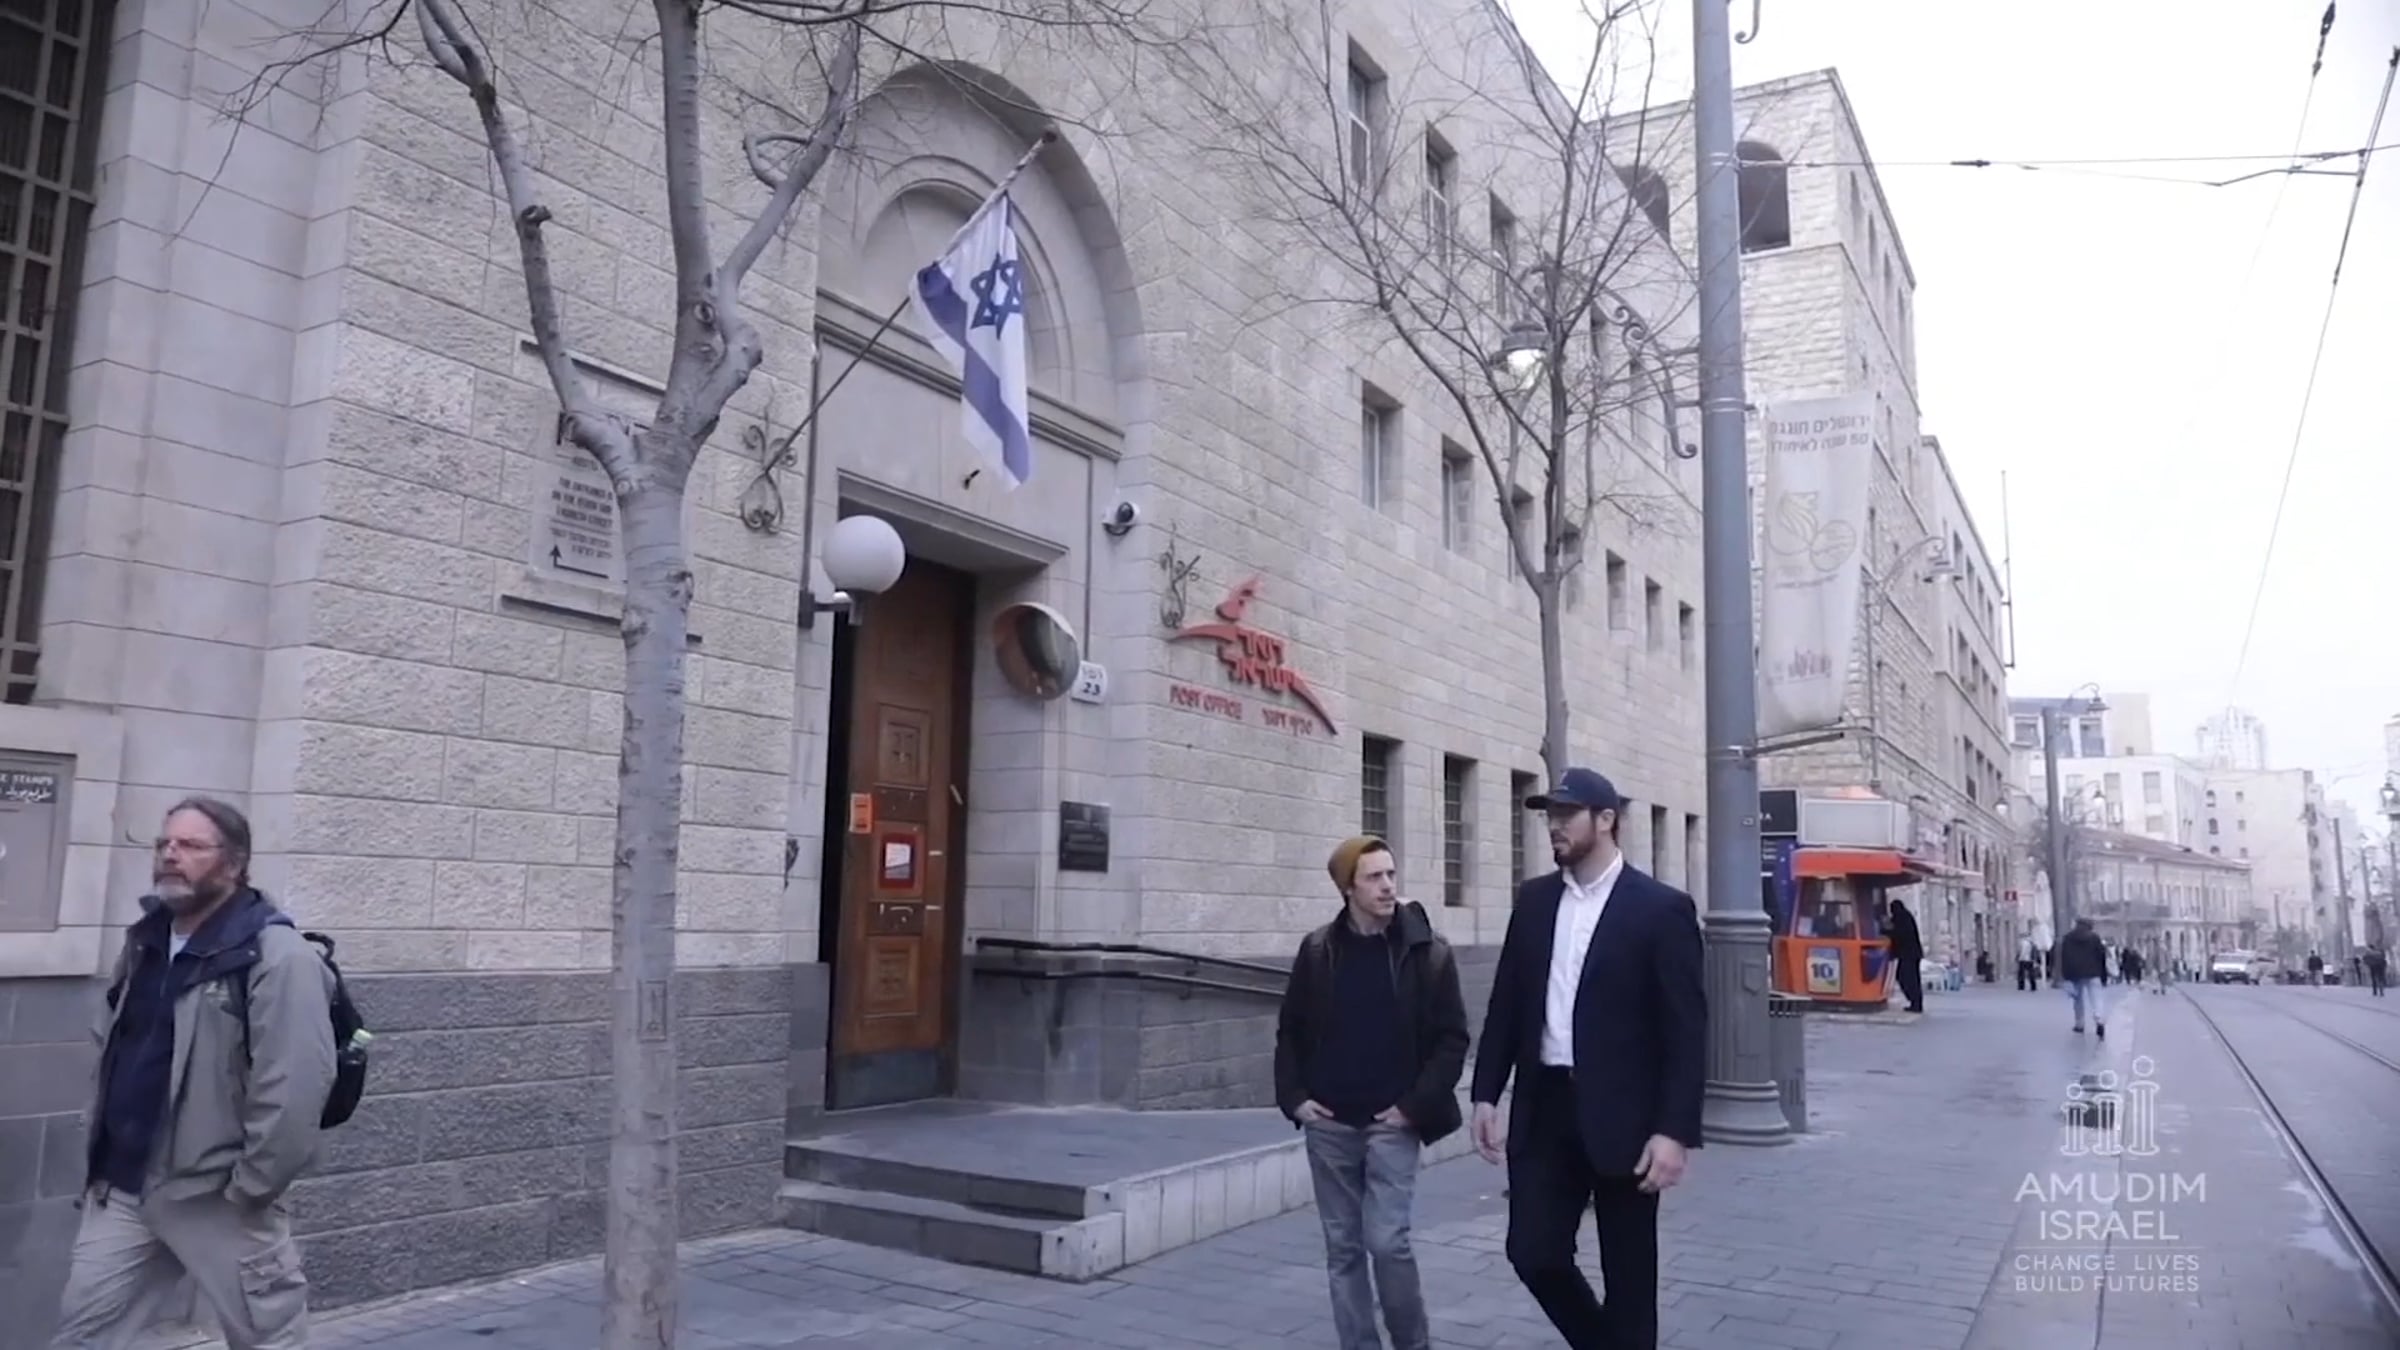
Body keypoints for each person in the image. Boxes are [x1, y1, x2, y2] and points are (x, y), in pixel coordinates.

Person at [48, 798, 336, 1350]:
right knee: (83, 1336)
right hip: (125, 1187)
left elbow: (294, 1086)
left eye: (191, 845)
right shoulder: (145, 940)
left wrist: (251, 1188)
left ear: (234, 863)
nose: (170, 855)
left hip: (217, 1195)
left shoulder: (277, 956)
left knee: (269, 1338)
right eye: (164, 843)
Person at [1469, 768, 1706, 1350]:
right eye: (1549, 816)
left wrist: (1674, 1131)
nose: (1554, 826)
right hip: (1545, 1107)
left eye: (1566, 814)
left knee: (1630, 1278)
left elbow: (1685, 1031)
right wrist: (1485, 1092)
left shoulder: (1660, 909)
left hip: (1626, 1115)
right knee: (1533, 1252)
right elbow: (1507, 1003)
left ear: (1606, 820)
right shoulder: (1535, 901)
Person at [1275, 835, 1469, 1350]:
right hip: (1329, 1125)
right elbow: (1290, 1031)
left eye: (1390, 874)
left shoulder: (1426, 950)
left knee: (1387, 1243)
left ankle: (1412, 1344)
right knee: (1343, 1248)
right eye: (1373, 877)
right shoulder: (1318, 950)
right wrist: (1295, 1098)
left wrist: (1414, 1106)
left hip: (1392, 1124)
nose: (1387, 886)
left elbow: (1452, 1039)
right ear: (1348, 889)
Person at [2058, 917, 2110, 1040]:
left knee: (2078, 1000)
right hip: (2093, 972)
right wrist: (2103, 975)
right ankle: (2099, 1020)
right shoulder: (2095, 938)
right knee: (2096, 998)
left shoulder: (2068, 938)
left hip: (2074, 973)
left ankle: (2079, 1024)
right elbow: (2101, 957)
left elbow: (2064, 957)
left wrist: (2065, 975)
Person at [1884, 899, 1925, 1013]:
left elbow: (1899, 934)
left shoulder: (1902, 918)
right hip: (1911, 954)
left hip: (1909, 954)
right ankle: (1915, 1002)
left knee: (1907, 978)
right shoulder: (1905, 917)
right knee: (1911, 979)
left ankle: (1915, 1002)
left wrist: (1886, 931)